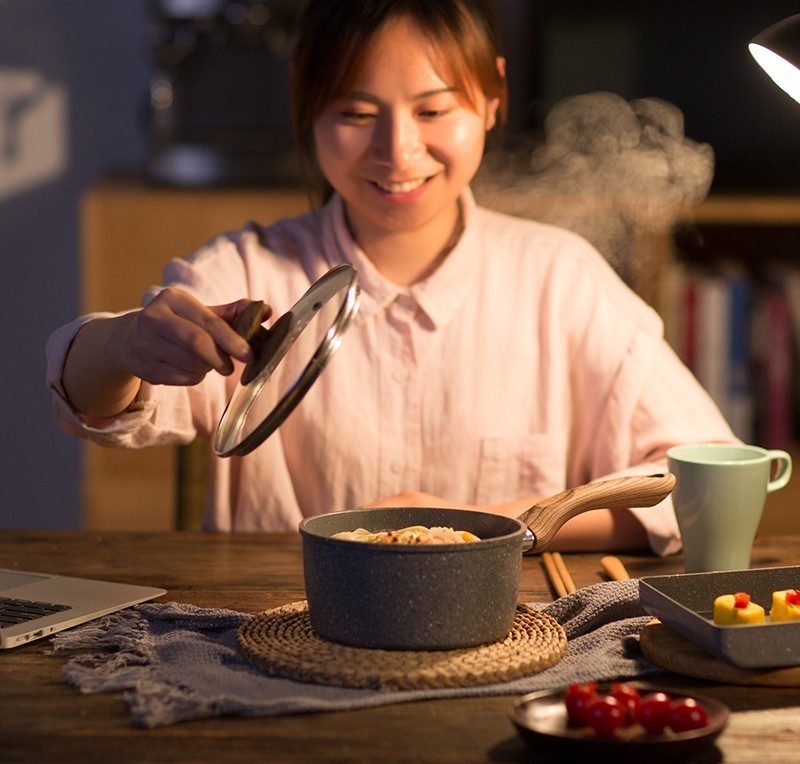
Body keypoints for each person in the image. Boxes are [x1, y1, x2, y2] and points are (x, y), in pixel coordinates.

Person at [46, 0, 735, 554]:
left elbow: (702, 480)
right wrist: (125, 345)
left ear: (492, 97)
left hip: (511, 643)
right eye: (356, 113)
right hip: (275, 638)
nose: (398, 151)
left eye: (434, 111)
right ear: (306, 103)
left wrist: (478, 522)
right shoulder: (251, 272)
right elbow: (96, 407)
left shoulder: (560, 280)